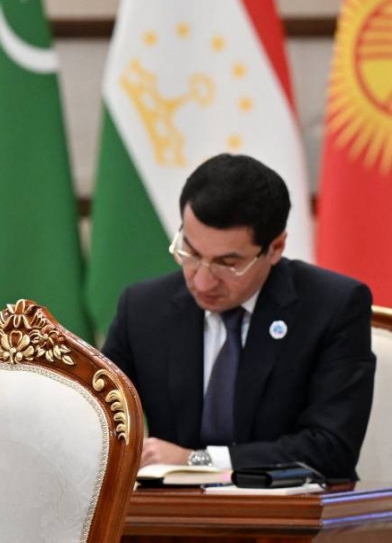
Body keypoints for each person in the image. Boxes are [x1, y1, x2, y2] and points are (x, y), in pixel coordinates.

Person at [101, 154, 375, 480]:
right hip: (170, 508)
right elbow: (94, 415)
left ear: (275, 248)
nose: (203, 282)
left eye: (228, 264)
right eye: (191, 253)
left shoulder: (332, 306)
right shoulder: (143, 308)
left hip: (283, 507)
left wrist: (198, 460)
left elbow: (331, 449)